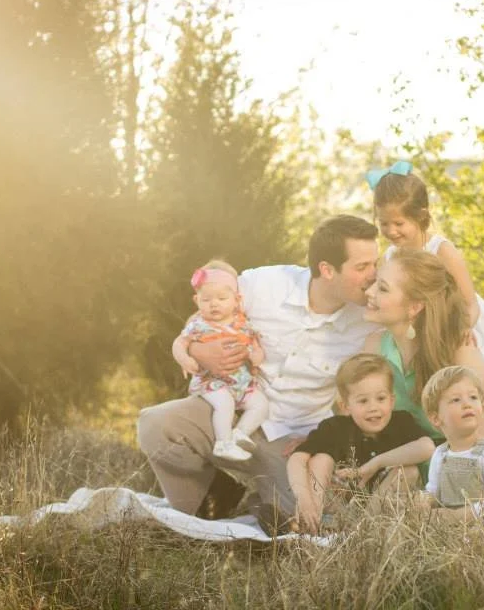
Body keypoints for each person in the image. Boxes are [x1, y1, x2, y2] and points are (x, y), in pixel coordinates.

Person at [137, 215, 380, 530]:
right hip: (233, 413)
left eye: (375, 265)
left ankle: (261, 501)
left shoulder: (368, 320)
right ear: (327, 270)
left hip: (296, 440)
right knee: (155, 425)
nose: (372, 277)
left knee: (312, 521)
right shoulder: (265, 285)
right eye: (362, 268)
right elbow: (210, 302)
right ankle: (214, 496)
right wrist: (199, 351)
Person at [361, 248, 484, 504]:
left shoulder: (461, 354)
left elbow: (481, 440)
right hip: (415, 461)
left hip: (477, 467)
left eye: (382, 288)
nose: (369, 293)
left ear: (414, 307)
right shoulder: (373, 347)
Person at [366, 161, 484, 436]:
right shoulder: (391, 256)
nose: (391, 231)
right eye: (384, 223)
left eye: (399, 223)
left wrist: (460, 331)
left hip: (460, 328)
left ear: (421, 217)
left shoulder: (441, 250)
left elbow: (469, 303)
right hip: (427, 337)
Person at [287, 353, 434, 533]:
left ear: (391, 400)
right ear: (345, 406)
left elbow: (427, 447)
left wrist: (376, 463)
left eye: (381, 398)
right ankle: (311, 520)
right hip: (342, 502)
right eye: (363, 401)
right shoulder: (336, 427)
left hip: (382, 508)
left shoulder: (401, 422)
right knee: (319, 459)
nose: (373, 407)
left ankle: (360, 529)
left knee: (408, 471)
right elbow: (297, 459)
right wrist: (305, 500)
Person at [171, 260, 267, 463]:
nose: (214, 303)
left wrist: (255, 357)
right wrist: (185, 359)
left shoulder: (242, 323)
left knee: (260, 404)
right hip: (212, 383)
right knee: (224, 404)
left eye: (222, 298)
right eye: (206, 300)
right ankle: (223, 443)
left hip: (240, 382)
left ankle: (239, 435)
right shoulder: (199, 325)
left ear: (236, 300)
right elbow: (179, 343)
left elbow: (256, 347)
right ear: (196, 300)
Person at [417, 365, 484, 521]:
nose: (467, 404)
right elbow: (433, 491)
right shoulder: (441, 454)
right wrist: (423, 501)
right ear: (436, 418)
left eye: (473, 397)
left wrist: (458, 516)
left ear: (482, 409)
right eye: (456, 400)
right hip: (452, 533)